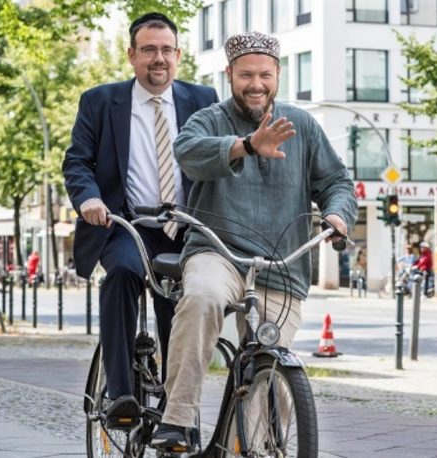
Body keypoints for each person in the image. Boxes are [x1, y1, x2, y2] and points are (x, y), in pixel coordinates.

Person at [151, 31, 357, 450]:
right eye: (246, 75)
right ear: (230, 74)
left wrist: (337, 213)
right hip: (218, 252)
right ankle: (177, 419)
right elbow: (187, 153)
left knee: (272, 375)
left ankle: (247, 447)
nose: (256, 84)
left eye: (265, 74)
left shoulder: (302, 125)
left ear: (278, 74)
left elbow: (337, 181)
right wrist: (246, 145)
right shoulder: (209, 119)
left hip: (281, 265)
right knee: (202, 298)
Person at [62, 12, 219, 427]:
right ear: (132, 55)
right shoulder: (100, 101)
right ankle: (121, 394)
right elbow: (77, 162)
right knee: (123, 274)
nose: (158, 58)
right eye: (149, 50)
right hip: (125, 226)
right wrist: (89, 198)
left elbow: (221, 156)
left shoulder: (204, 100)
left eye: (166, 50)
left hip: (185, 230)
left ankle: (177, 412)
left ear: (178, 55)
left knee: (182, 306)